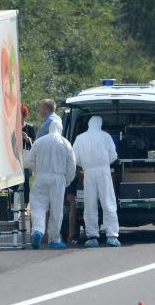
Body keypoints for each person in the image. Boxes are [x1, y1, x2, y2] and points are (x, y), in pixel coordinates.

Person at [26, 121, 76, 250]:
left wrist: (36, 172)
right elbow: (72, 165)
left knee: (38, 206)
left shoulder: (39, 141)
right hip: (58, 179)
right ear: (60, 128)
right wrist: (67, 180)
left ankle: (37, 230)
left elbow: (30, 160)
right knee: (56, 209)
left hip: (41, 176)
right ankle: (54, 239)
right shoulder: (65, 143)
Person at [72, 115, 121, 247]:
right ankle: (112, 235)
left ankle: (92, 236)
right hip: (104, 171)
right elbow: (114, 155)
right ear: (99, 124)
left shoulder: (80, 138)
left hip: (88, 172)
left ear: (89, 124)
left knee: (90, 204)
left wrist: (85, 165)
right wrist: (104, 163)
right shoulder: (106, 136)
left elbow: (75, 158)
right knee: (108, 202)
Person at [21, 104, 36, 204]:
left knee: (26, 182)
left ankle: (25, 205)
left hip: (25, 158)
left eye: (20, 114)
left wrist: (27, 138)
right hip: (14, 158)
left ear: (24, 115)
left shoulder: (29, 127)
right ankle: (15, 205)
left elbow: (34, 143)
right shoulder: (12, 126)